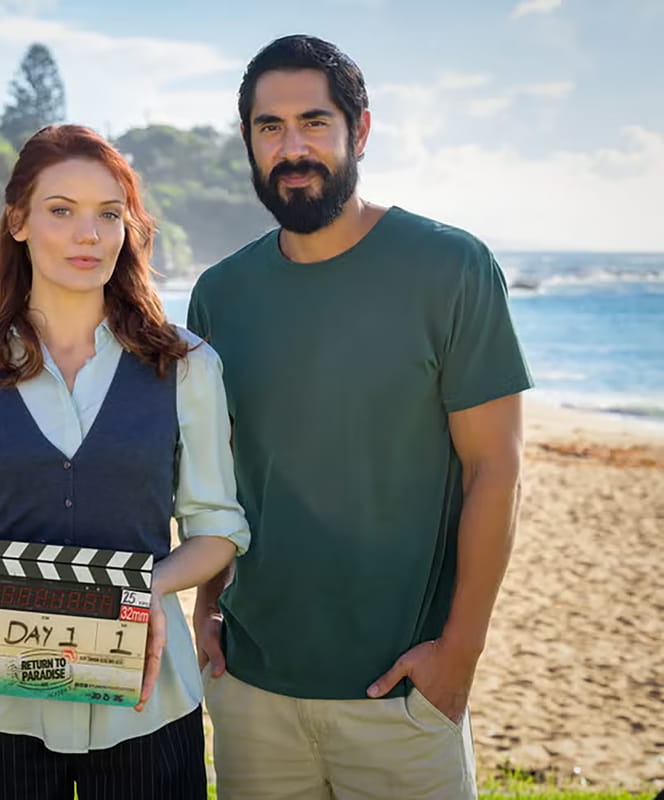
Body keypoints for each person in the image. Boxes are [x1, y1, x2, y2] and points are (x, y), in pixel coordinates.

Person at [188, 35, 533, 800]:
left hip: (403, 695)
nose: (292, 147)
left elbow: (496, 468)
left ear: (361, 131)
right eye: (269, 128)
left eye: (314, 122)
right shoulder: (221, 293)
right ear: (247, 140)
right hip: (251, 691)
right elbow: (218, 474)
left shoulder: (451, 268)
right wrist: (208, 607)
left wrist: (460, 653)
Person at [0, 124, 250, 800]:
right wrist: (56, 608)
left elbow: (218, 529)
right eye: (62, 211)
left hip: (148, 703)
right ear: (18, 222)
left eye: (109, 214)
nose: (90, 234)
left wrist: (136, 597)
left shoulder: (188, 365)